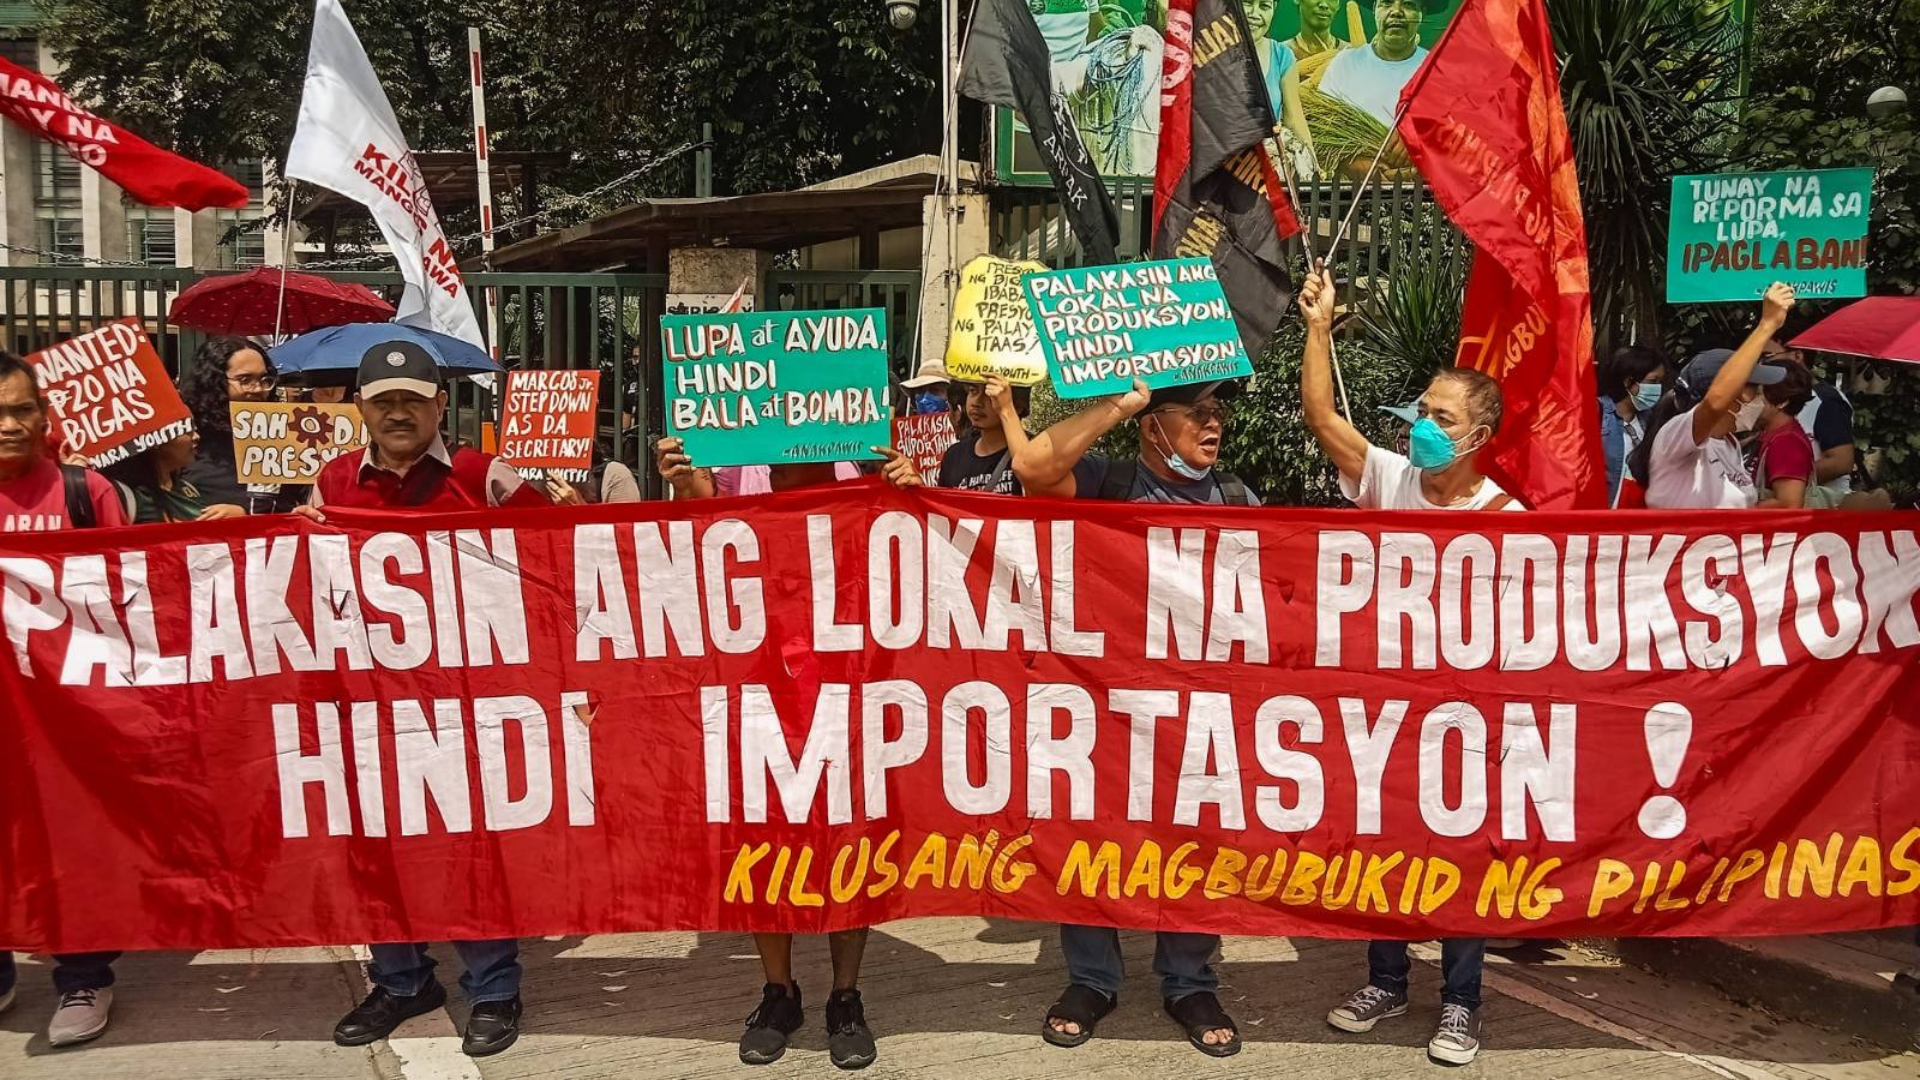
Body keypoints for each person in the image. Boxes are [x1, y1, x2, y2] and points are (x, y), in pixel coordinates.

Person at [300, 340, 547, 1058]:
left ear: (441, 405)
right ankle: (402, 981)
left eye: (413, 398)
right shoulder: (333, 482)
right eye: (385, 401)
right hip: (368, 700)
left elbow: (560, 555)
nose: (399, 413)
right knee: (376, 840)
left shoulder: (484, 476)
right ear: (362, 409)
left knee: (467, 842)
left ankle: (493, 987)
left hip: (465, 701)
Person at [654, 439, 919, 1070]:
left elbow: (914, 559)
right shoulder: (734, 468)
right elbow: (700, 531)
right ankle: (779, 993)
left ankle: (845, 997)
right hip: (760, 690)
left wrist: (909, 493)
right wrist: (683, 479)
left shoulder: (867, 472)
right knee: (763, 839)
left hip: (848, 689)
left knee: (850, 838)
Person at [1298, 266, 1506, 1064]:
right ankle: (1386, 980)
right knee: (1382, 846)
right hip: (1384, 709)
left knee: (1459, 857)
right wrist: (1319, 328)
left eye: (1441, 417)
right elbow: (1323, 417)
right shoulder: (1391, 478)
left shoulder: (1509, 519)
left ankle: (1460, 1002)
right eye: (1422, 410)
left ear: (1479, 435)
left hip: (1463, 715)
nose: (1423, 424)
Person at [1010, 380, 1250, 1058]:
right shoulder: (1104, 481)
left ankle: (1189, 981)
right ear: (1153, 426)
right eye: (1196, 413)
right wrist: (1120, 405)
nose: (1212, 424)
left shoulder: (1238, 499)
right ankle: (1092, 979)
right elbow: (1033, 468)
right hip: (1100, 704)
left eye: (1217, 412)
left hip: (1197, 708)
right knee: (1089, 831)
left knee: (1195, 839)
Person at [0, 350, 128, 1047]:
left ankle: (84, 975)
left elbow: (133, 595)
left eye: (22, 410)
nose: (9, 424)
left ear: (45, 417)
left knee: (72, 844)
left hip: (65, 715)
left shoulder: (86, 491)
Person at [1629, 284, 1796, 511]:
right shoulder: (1676, 434)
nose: (1760, 394)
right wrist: (1766, 325)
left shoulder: (1729, 444)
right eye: (1753, 386)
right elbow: (1715, 402)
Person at [178, 335, 308, 517]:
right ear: (214, 381)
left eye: (264, 380)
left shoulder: (283, 436)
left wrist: (246, 515)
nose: (258, 389)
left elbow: (290, 503)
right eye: (245, 380)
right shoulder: (186, 436)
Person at [1317, 0, 1435, 129]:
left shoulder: (1437, 71)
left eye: (1408, 4)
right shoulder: (1344, 64)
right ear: (1374, 9)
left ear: (1422, 13)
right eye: (1386, 2)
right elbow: (1322, 124)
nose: (1396, 12)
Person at [1763, 338, 1859, 496]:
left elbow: (1841, 462)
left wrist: (1786, 482)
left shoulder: (1827, 400)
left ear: (1797, 355)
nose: (1762, 363)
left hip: (1821, 502)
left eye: (1768, 356)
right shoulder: (1771, 397)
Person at [1243, 0, 1319, 178]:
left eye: (1264, 6)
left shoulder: (1282, 55)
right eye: (1247, 3)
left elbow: (1294, 118)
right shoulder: (1211, 52)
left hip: (1269, 166)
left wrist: (1314, 165)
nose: (1255, 14)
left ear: (1274, 9)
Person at [1596, 345, 1668, 507]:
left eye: (1660, 382)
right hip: (1603, 513)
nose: (1658, 388)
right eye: (1653, 381)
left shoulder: (1651, 419)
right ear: (1628, 381)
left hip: (1638, 514)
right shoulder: (1597, 413)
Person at [937, 375, 1030, 494]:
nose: (977, 402)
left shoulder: (1037, 453)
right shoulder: (953, 456)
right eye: (973, 391)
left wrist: (1006, 411)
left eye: (990, 395)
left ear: (1018, 406)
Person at [1751, 356, 1819, 509]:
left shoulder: (1786, 442)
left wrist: (1738, 510)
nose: (1748, 400)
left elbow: (1789, 504)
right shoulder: (1771, 435)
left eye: (1757, 394)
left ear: (1782, 401)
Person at [99, 430, 204, 524]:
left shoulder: (187, 488)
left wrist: (214, 520)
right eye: (185, 430)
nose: (196, 436)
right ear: (156, 439)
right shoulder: (126, 496)